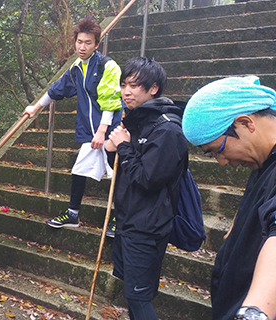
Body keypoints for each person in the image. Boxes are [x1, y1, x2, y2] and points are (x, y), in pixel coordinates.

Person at [182, 76, 276, 320]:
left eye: (218, 151)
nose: (223, 162)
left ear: (245, 123)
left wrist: (254, 313)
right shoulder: (263, 162)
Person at [104, 57, 189, 320]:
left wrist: (124, 147)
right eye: (123, 85)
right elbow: (125, 171)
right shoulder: (137, 121)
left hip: (147, 226)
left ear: (153, 88)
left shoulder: (167, 130)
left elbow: (148, 179)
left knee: (139, 299)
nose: (126, 91)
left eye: (134, 86)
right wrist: (111, 151)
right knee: (133, 295)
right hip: (129, 220)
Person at [23, 17, 123, 235]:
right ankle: (73, 214)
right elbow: (57, 89)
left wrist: (102, 131)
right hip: (90, 131)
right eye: (79, 42)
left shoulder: (108, 66)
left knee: (118, 174)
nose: (82, 47)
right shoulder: (77, 67)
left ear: (97, 44)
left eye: (88, 42)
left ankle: (119, 218)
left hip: (111, 130)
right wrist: (36, 107)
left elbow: (111, 100)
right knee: (79, 170)